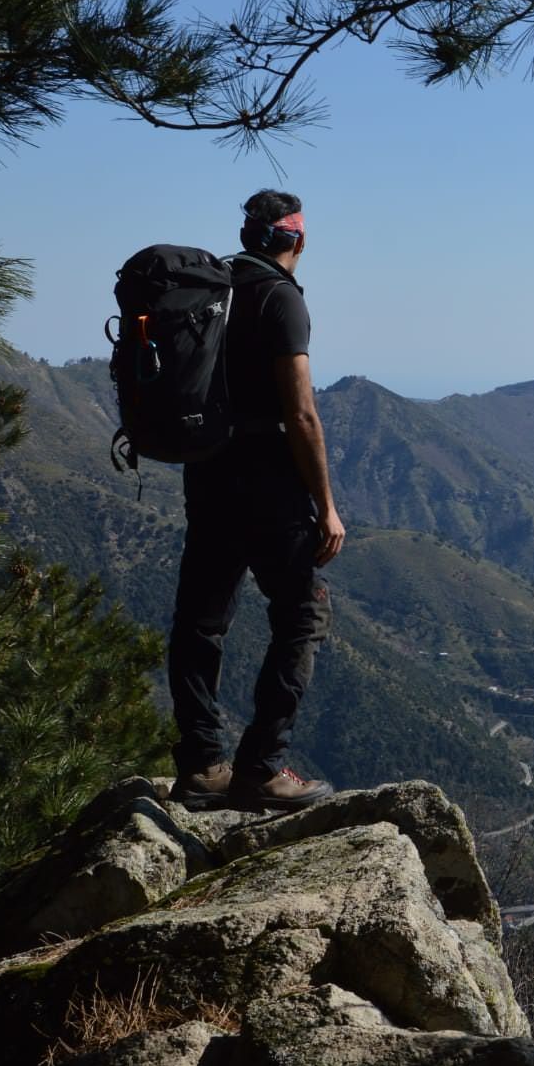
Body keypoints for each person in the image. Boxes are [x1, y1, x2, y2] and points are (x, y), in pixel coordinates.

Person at [167, 190, 344, 811]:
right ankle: (262, 767)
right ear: (297, 240)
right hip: (270, 486)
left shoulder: (210, 290)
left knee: (200, 622)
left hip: (207, 475)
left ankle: (200, 764)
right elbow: (301, 413)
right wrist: (325, 504)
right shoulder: (280, 298)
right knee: (300, 616)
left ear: (247, 235)